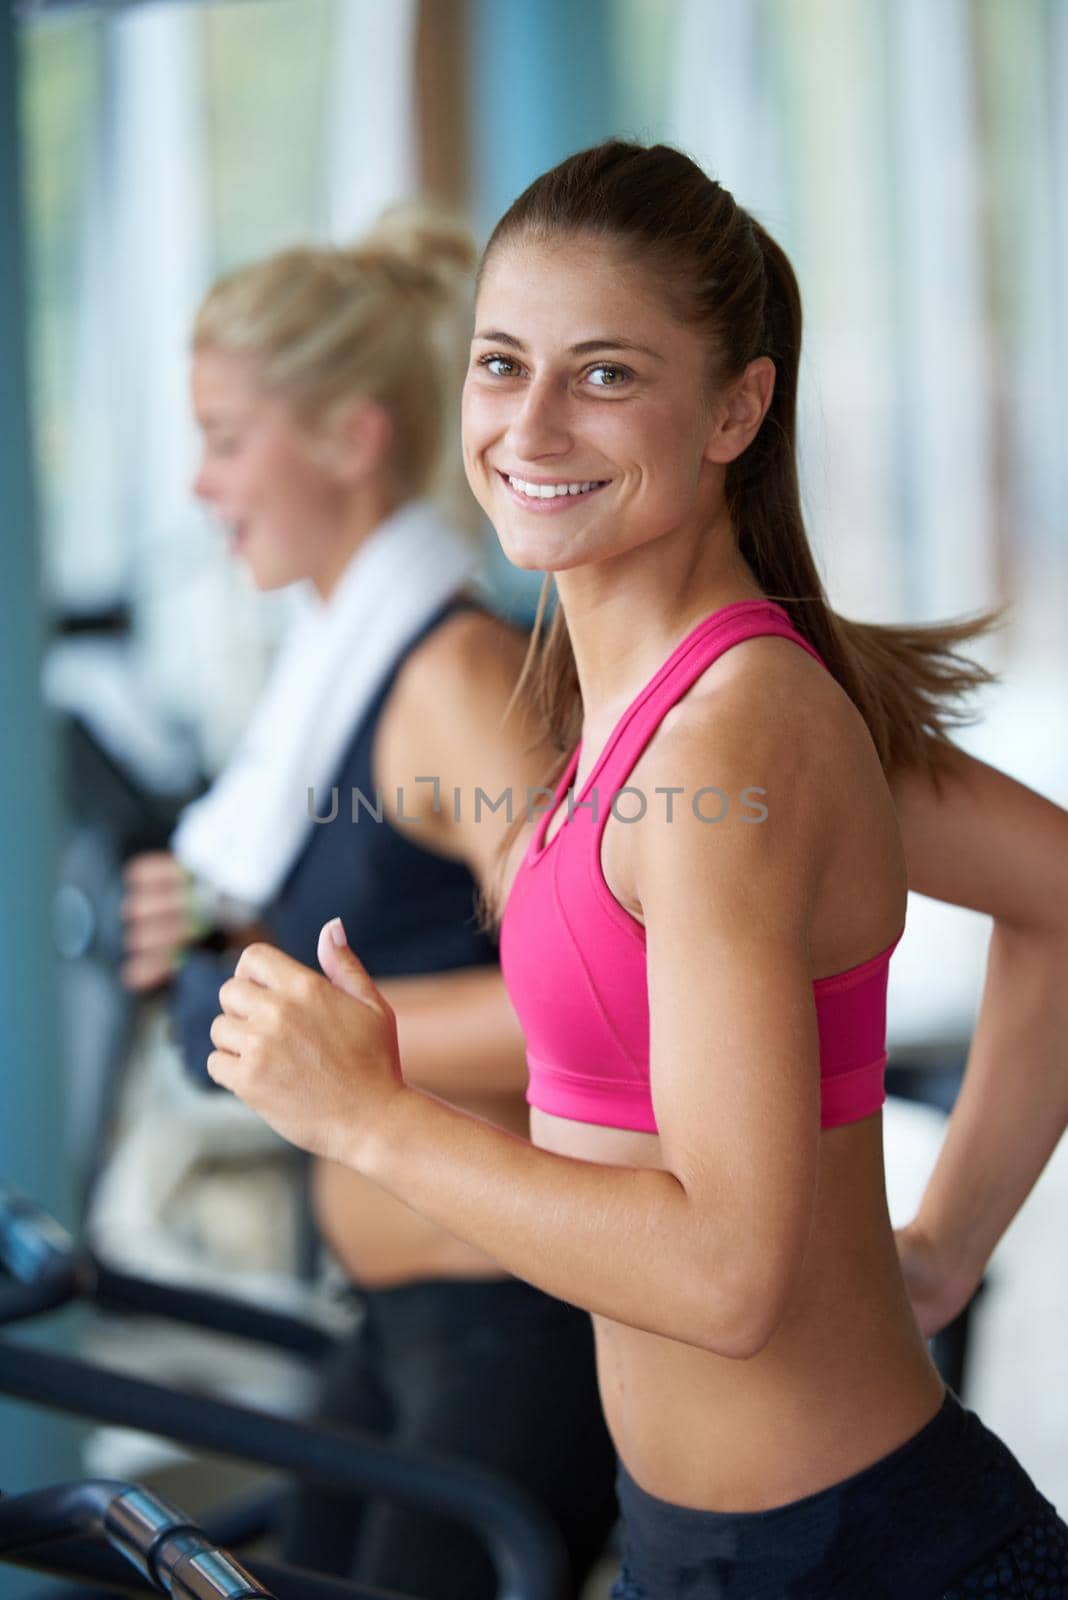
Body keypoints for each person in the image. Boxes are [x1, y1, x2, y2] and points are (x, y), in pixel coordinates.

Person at [206, 141, 1068, 1598]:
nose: (529, 424)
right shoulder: (668, 699)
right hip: (717, 1542)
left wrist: (375, 1117)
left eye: (604, 374)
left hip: (850, 1554)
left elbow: (729, 1277)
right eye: (501, 364)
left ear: (738, 407)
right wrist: (939, 1250)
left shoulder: (731, 744)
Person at [119, 206, 618, 1598]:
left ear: (350, 437)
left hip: (511, 1321)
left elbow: (593, 1006)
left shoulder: (451, 678)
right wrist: (225, 946)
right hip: (400, 1315)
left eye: (226, 437)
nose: (203, 484)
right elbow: (362, 951)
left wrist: (329, 1040)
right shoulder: (338, 678)